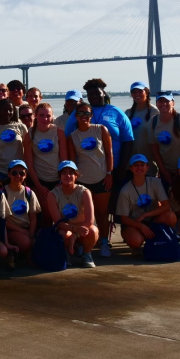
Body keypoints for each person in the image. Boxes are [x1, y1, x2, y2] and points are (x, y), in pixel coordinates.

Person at [65, 78, 134, 195]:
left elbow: (128, 140)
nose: (93, 96)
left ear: (104, 93)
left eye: (97, 93)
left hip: (115, 168)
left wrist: (122, 167)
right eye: (90, 94)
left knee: (114, 206)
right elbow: (68, 138)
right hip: (87, 171)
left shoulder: (116, 112)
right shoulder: (79, 112)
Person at [67, 102, 114, 257]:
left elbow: (109, 153)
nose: (84, 117)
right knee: (83, 215)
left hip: (101, 178)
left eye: (87, 113)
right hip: (83, 182)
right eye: (80, 113)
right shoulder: (73, 137)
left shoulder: (100, 129)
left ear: (91, 115)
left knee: (102, 213)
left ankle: (104, 242)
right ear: (76, 116)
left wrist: (109, 173)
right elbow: (73, 162)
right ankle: (83, 243)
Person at [116, 154, 177, 255]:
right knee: (135, 241)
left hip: (152, 220)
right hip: (135, 223)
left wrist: (146, 215)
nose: (139, 168)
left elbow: (166, 206)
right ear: (131, 168)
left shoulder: (156, 182)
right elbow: (124, 219)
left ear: (147, 167)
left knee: (171, 216)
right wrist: (141, 226)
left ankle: (159, 240)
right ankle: (137, 246)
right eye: (136, 165)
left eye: (142, 165)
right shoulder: (125, 190)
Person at [47, 161, 97, 268]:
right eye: (64, 173)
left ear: (76, 176)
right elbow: (58, 222)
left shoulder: (84, 192)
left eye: (71, 172)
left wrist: (75, 233)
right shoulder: (52, 194)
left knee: (93, 230)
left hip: (83, 228)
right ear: (59, 176)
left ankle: (86, 254)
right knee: (62, 234)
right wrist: (73, 230)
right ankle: (65, 253)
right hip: (66, 228)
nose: (68, 175)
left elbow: (90, 221)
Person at [24, 103, 68, 219]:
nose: (45, 119)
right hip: (40, 181)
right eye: (41, 115)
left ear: (52, 116)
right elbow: (29, 163)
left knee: (61, 215)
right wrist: (38, 185)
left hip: (57, 180)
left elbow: (64, 160)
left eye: (48, 116)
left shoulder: (59, 133)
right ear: (35, 116)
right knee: (46, 216)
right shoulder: (29, 135)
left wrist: (61, 181)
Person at [148, 91, 180, 187]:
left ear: (173, 103)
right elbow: (154, 149)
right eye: (160, 101)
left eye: (167, 101)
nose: (163, 104)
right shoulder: (153, 122)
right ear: (156, 104)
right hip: (166, 171)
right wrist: (163, 170)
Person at [1, 160, 42, 269]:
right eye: (14, 173)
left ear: (25, 175)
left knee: (36, 242)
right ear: (9, 174)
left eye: (22, 173)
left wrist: (31, 234)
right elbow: (2, 220)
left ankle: (20, 254)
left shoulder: (29, 192)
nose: (18, 176)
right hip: (9, 229)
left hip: (26, 228)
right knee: (26, 243)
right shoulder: (2, 193)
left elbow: (33, 218)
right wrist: (22, 231)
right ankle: (12, 253)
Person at [0, 99, 28, 181]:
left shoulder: (21, 127)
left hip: (18, 173)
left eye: (10, 110)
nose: (7, 112)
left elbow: (29, 150)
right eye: (4, 110)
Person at [125, 82, 159, 176]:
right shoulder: (128, 113)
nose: (137, 94)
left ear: (146, 92)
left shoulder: (154, 111)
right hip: (131, 163)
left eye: (140, 91)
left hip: (149, 163)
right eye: (134, 92)